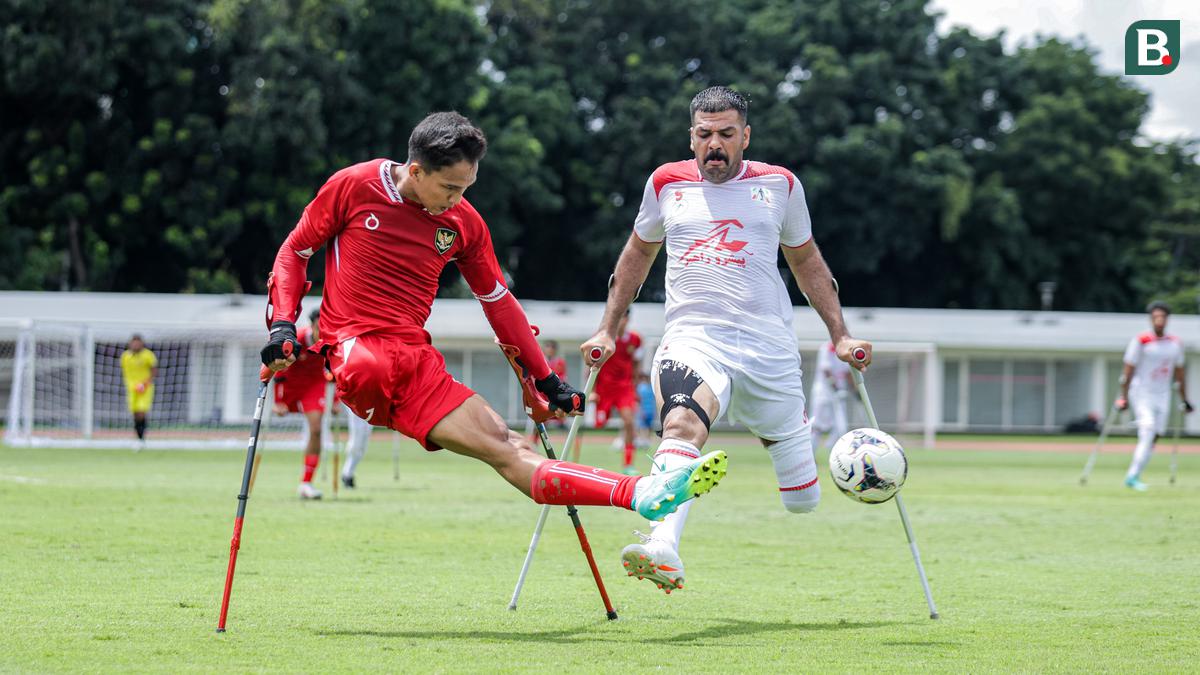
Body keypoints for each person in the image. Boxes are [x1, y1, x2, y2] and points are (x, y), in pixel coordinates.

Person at [260, 111, 727, 528]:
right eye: (449, 188)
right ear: (416, 170)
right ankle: (639, 491)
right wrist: (283, 323)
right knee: (378, 371)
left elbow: (498, 302)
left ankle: (641, 494)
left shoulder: (464, 223)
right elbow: (295, 251)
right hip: (357, 352)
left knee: (508, 447)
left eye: (467, 188)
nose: (457, 200)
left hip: (415, 361)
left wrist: (545, 379)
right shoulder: (354, 185)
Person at [582, 86, 872, 594]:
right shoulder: (665, 182)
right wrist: (608, 327)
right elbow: (637, 255)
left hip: (768, 350)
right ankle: (662, 546)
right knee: (680, 423)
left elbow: (806, 261)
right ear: (691, 136)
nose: (714, 144)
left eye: (726, 134)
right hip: (694, 339)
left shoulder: (781, 184)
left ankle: (799, 449)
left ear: (746, 136)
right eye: (704, 134)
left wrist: (841, 335)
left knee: (802, 499)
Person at [1116, 301, 1192, 491]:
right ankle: (1132, 476)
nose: (1159, 320)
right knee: (1148, 430)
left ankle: (1135, 474)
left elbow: (1180, 374)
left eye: (1163, 317)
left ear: (1167, 319)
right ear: (1150, 319)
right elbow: (1128, 370)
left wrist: (1185, 399)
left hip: (1163, 394)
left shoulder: (1175, 343)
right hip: (1141, 392)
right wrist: (1123, 396)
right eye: (1156, 317)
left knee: (1155, 435)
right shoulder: (1141, 341)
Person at [272, 308, 328, 499]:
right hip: (292, 385)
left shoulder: (329, 341)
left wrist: (336, 399)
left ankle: (306, 483)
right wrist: (278, 401)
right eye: (319, 327)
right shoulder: (297, 340)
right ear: (312, 325)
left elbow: (334, 368)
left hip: (314, 385)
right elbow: (279, 370)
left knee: (316, 430)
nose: (322, 331)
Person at [593, 309, 642, 474]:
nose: (620, 321)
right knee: (599, 425)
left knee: (629, 422)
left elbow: (636, 365)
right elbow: (591, 366)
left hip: (624, 388)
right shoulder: (602, 338)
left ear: (627, 319)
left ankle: (628, 464)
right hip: (604, 389)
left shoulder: (635, 340)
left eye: (623, 318)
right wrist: (592, 391)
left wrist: (635, 389)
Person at [810, 340, 853, 452]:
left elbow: (847, 373)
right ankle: (810, 453)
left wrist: (856, 391)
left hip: (839, 395)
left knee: (841, 426)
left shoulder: (846, 350)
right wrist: (835, 387)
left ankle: (834, 453)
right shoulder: (827, 348)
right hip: (823, 393)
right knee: (817, 424)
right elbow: (826, 370)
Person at [120, 334, 157, 448]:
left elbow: (154, 371)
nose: (135, 345)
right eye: (133, 342)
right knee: (135, 413)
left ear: (142, 343)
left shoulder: (148, 355)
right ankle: (138, 438)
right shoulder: (125, 356)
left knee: (141, 412)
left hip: (145, 388)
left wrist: (144, 384)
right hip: (131, 389)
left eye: (137, 342)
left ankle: (141, 438)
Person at [338, 400, 374, 488]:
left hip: (370, 401)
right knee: (357, 438)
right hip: (355, 399)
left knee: (364, 438)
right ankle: (347, 474)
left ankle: (348, 473)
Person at [635, 371, 655, 450]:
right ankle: (644, 441)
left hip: (648, 410)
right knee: (644, 426)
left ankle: (645, 441)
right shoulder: (647, 387)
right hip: (646, 410)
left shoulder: (643, 387)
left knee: (646, 426)